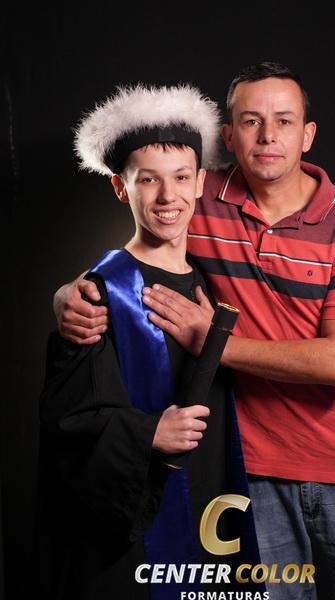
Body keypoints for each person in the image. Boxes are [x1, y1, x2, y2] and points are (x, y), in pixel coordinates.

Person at [53, 62, 335, 599]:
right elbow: (148, 230)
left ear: (307, 134)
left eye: (284, 121)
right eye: (251, 121)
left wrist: (213, 342)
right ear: (227, 136)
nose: (268, 136)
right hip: (254, 478)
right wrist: (71, 290)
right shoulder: (201, 198)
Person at [38, 83, 261, 600]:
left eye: (181, 177)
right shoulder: (98, 295)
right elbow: (68, 423)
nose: (168, 197)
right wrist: (147, 433)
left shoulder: (215, 278)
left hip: (216, 501)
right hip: (137, 527)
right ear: (121, 188)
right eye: (148, 180)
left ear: (201, 181)